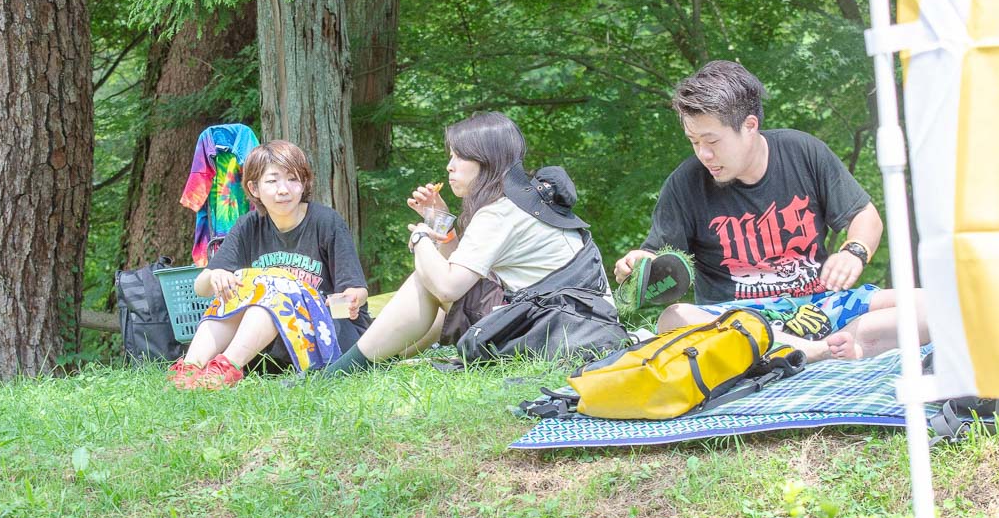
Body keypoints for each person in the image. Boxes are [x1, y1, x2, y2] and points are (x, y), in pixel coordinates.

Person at [614, 60, 926, 362]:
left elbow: (865, 216)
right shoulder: (684, 184)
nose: (703, 154)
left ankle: (836, 343)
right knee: (673, 318)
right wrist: (637, 265)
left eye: (712, 141)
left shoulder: (803, 152)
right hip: (736, 321)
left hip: (817, 309)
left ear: (750, 126)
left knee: (930, 302)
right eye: (694, 142)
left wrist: (853, 251)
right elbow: (655, 256)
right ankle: (818, 351)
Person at [322, 111, 593, 376]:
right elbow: (458, 277)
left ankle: (341, 371)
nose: (449, 166)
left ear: (486, 160)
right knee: (438, 285)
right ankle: (373, 364)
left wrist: (420, 237)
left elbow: (447, 287)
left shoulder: (499, 212)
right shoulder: (523, 200)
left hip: (557, 334)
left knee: (426, 280)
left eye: (459, 156)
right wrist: (441, 222)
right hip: (575, 324)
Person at [170, 139, 370, 388]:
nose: (283, 189)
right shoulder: (248, 226)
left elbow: (356, 290)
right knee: (234, 291)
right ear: (254, 188)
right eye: (273, 181)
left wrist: (350, 299)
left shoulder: (326, 222)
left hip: (330, 335)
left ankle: (225, 370)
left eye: (293, 179)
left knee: (271, 295)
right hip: (270, 347)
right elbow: (201, 287)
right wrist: (216, 276)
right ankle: (189, 369)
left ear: (304, 183)